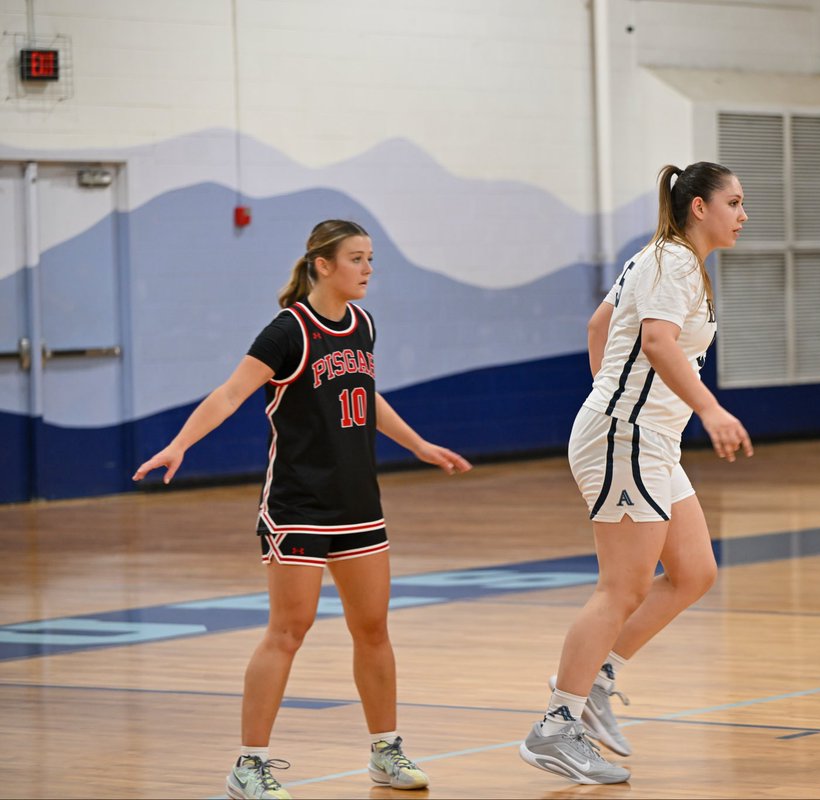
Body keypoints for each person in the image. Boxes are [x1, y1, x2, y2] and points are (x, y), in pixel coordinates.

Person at [133, 219, 472, 799]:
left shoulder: (362, 324)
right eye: (357, 259)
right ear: (323, 265)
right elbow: (230, 393)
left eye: (370, 258)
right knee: (288, 631)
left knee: (373, 629)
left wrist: (417, 444)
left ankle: (385, 750)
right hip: (298, 505)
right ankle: (249, 765)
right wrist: (179, 444)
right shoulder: (287, 331)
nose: (368, 269)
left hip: (358, 502)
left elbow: (365, 395)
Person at [519, 162, 753, 784]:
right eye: (733, 202)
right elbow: (655, 341)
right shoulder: (672, 261)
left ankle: (596, 678)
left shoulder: (662, 258)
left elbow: (599, 327)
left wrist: (612, 397)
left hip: (646, 438)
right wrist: (704, 409)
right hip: (628, 438)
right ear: (699, 207)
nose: (743, 215)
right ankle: (555, 728)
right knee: (622, 588)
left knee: (695, 572)